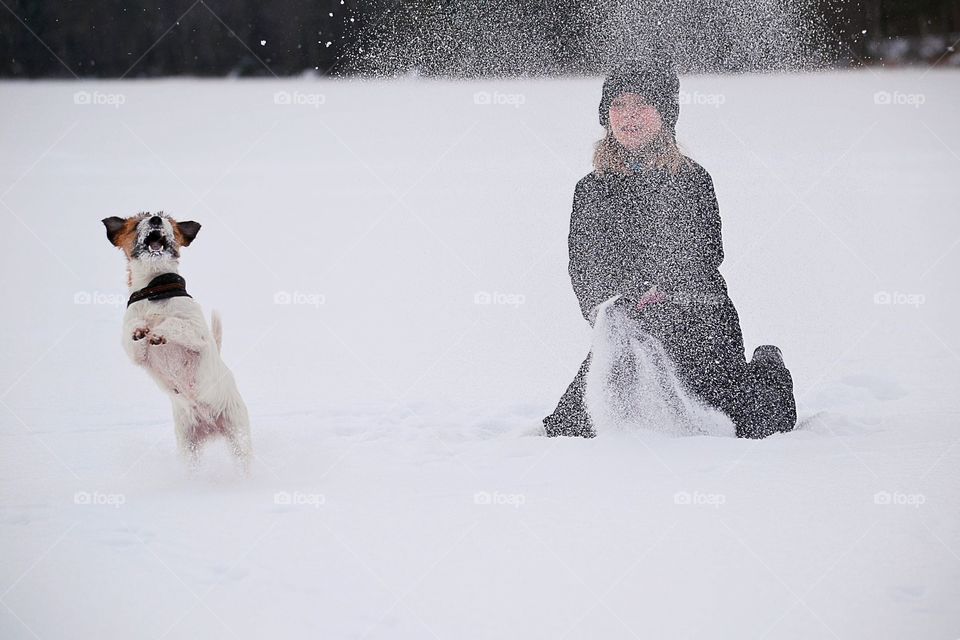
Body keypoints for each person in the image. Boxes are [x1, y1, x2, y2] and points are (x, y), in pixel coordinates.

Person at [543, 58, 797, 439]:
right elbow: (584, 263)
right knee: (569, 429)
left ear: (665, 115)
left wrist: (664, 292)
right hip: (626, 325)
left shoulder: (692, 180)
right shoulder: (591, 188)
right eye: (619, 106)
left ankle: (766, 366)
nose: (629, 117)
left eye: (641, 105)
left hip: (698, 322)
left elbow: (703, 255)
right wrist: (611, 306)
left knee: (751, 425)